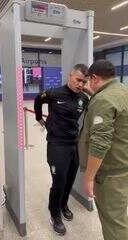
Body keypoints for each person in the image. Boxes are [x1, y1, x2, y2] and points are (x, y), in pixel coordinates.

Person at [34, 64, 89, 235]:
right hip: (57, 144)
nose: (80, 84)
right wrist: (39, 118)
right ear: (70, 76)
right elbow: (38, 99)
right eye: (77, 79)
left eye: (84, 81)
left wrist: (89, 91)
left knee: (70, 179)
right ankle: (54, 214)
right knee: (59, 181)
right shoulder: (54, 93)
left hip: (73, 144)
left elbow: (95, 105)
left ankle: (63, 204)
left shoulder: (83, 98)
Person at [78, 60, 128, 240]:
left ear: (94, 77)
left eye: (88, 80)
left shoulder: (103, 100)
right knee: (119, 215)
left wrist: (89, 178)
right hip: (123, 167)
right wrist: (94, 96)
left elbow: (100, 143)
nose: (87, 84)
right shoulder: (122, 90)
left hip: (109, 175)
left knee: (113, 224)